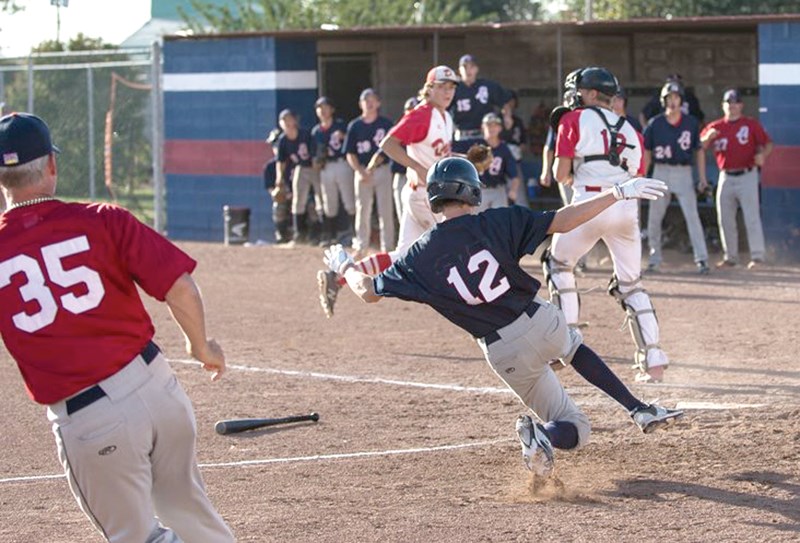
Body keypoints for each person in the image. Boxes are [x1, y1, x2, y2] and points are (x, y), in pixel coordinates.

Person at [322, 157, 682, 476]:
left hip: (501, 350)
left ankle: (544, 434)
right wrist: (617, 192)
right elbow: (565, 219)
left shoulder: (419, 255)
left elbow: (368, 291)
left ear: (434, 198)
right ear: (473, 192)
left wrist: (346, 266)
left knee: (573, 425)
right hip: (538, 320)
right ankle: (637, 408)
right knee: (572, 347)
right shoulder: (497, 221)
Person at [0, 113, 234, 542]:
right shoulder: (102, 219)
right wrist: (200, 347)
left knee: (137, 538)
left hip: (91, 416)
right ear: (51, 165)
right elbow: (180, 287)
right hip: (158, 387)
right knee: (196, 524)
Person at [542, 66, 670, 383]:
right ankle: (653, 359)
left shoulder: (571, 119)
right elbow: (637, 171)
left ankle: (563, 346)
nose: (575, 96)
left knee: (559, 265)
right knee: (630, 284)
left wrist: (578, 171)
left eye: (580, 91)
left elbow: (560, 175)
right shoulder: (631, 128)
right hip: (625, 206)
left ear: (592, 93)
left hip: (588, 203)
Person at [317, 66, 458, 318]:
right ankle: (480, 320)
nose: (448, 91)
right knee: (455, 250)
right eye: (443, 86)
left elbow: (438, 155)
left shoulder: (444, 117)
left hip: (424, 194)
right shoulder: (423, 114)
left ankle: (338, 278)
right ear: (430, 88)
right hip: (426, 196)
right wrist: (416, 166)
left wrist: (464, 159)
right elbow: (388, 144)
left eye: (452, 87)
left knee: (401, 256)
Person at [700, 88, 773, 269]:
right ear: (723, 106)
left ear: (741, 105)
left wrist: (763, 155)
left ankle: (757, 257)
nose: (732, 106)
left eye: (735, 103)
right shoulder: (715, 127)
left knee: (751, 217)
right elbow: (698, 146)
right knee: (725, 218)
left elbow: (768, 143)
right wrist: (707, 138)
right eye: (728, 103)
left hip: (747, 174)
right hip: (725, 176)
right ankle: (730, 257)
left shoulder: (750, 124)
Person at [643, 81, 710, 274]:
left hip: (683, 172)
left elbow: (699, 151)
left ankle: (702, 259)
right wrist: (642, 176)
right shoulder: (655, 123)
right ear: (664, 101)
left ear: (681, 100)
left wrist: (702, 178)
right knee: (655, 218)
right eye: (669, 98)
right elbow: (647, 152)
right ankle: (654, 259)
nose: (673, 102)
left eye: (676, 98)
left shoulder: (690, 122)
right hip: (661, 170)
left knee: (692, 216)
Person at [345, 88, 395, 259]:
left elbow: (391, 148)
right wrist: (360, 171)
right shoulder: (355, 126)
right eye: (366, 100)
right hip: (362, 172)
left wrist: (374, 165)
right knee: (363, 210)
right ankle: (361, 246)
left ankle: (387, 248)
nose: (370, 102)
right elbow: (350, 153)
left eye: (373, 99)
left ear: (379, 103)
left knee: (385, 210)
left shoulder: (386, 124)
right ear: (361, 104)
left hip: (382, 171)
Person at [453, 112, 520, 211]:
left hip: (498, 190)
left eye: (495, 125)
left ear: (500, 128)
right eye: (488, 125)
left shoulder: (504, 149)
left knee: (500, 221)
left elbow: (514, 175)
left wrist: (513, 190)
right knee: (477, 222)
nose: (492, 128)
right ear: (482, 127)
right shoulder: (474, 144)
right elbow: (451, 148)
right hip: (478, 190)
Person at [312, 96, 354, 246]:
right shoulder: (316, 131)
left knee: (349, 201)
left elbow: (352, 142)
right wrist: (317, 161)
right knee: (329, 204)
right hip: (326, 166)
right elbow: (315, 154)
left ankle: (352, 236)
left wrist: (344, 136)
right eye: (319, 108)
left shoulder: (341, 125)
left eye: (325, 107)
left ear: (332, 109)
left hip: (342, 163)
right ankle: (331, 236)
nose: (322, 110)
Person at [275, 108, 320, 244]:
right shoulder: (283, 140)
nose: (287, 123)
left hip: (313, 168)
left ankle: (320, 235)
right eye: (284, 120)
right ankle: (299, 235)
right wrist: (279, 178)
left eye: (289, 119)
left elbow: (315, 156)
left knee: (320, 200)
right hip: (300, 167)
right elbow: (281, 161)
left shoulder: (305, 135)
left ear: (295, 121)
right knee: (298, 201)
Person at [450, 54, 512, 141]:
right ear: (459, 70)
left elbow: (505, 100)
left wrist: (507, 116)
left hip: (485, 135)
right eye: (464, 67)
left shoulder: (487, 86)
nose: (468, 70)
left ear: (476, 69)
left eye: (471, 67)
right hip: (462, 135)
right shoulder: (454, 88)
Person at [390, 97, 420, 222]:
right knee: (403, 216)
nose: (411, 113)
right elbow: (385, 148)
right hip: (401, 175)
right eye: (409, 110)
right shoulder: (399, 128)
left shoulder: (426, 128)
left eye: (414, 110)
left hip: (419, 178)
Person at [640, 73, 705, 128]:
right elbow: (643, 115)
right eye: (670, 97)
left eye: (676, 97)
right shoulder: (659, 99)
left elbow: (700, 120)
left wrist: (695, 132)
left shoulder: (690, 98)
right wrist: (647, 129)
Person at [264, 127, 293, 244]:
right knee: (278, 205)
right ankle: (281, 235)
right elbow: (271, 188)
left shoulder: (294, 161)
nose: (276, 148)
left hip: (299, 195)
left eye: (278, 144)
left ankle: (305, 235)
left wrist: (293, 194)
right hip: (284, 196)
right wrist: (280, 193)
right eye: (273, 144)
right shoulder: (270, 166)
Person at [500, 90, 529, 206]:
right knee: (500, 194)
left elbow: (524, 143)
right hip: (498, 163)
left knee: (518, 194)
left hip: (514, 161)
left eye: (511, 102)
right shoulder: (496, 120)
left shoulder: (518, 121)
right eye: (506, 102)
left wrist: (517, 150)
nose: (508, 105)